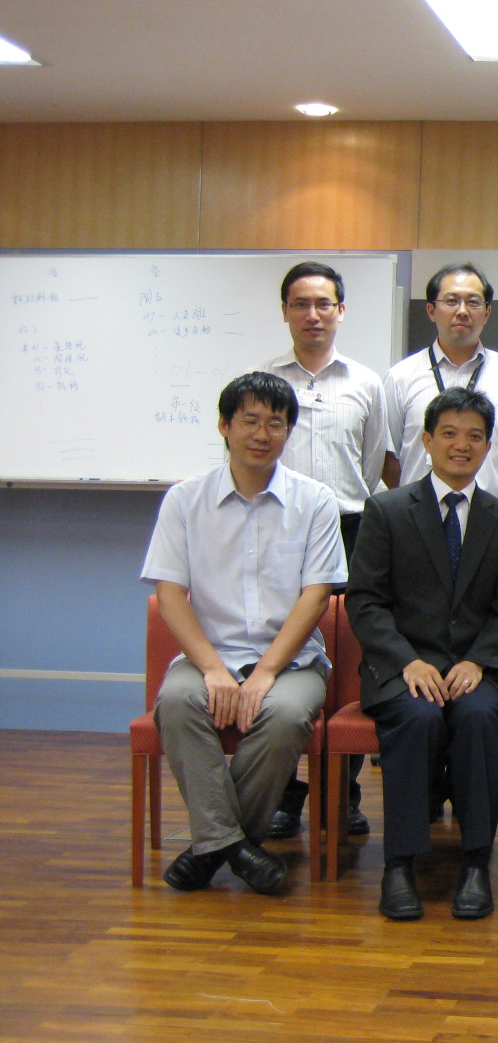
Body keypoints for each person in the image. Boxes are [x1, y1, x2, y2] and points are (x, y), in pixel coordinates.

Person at [141, 372, 345, 895]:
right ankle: (234, 847)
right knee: (177, 702)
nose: (261, 434)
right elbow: (170, 594)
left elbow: (316, 596)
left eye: (275, 423)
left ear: (288, 432)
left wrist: (267, 672)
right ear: (224, 426)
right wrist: (213, 669)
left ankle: (211, 846)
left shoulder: (316, 500)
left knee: (284, 714)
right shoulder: (185, 500)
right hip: (208, 656)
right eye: (249, 420)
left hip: (293, 661)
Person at [346, 387, 498, 921]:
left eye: (474, 436)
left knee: (478, 720)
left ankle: (475, 862)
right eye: (449, 433)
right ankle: (399, 864)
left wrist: (479, 660)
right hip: (401, 667)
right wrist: (407, 661)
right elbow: (365, 601)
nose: (461, 445)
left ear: (488, 447)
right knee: (419, 717)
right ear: (426, 440)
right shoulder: (386, 510)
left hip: (475, 670)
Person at [255, 260, 387, 841]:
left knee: (351, 658)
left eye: (323, 304)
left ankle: (344, 792)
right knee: (281, 651)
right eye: (301, 304)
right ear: (286, 311)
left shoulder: (366, 383)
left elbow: (373, 461)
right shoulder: (263, 380)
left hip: (350, 528)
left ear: (341, 311)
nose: (313, 314)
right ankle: (284, 794)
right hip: (278, 529)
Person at [382, 262, 498, 497]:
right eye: (451, 301)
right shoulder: (400, 377)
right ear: (431, 310)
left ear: (487, 313)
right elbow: (389, 459)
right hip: (418, 512)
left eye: (473, 302)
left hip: (490, 513)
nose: (462, 311)